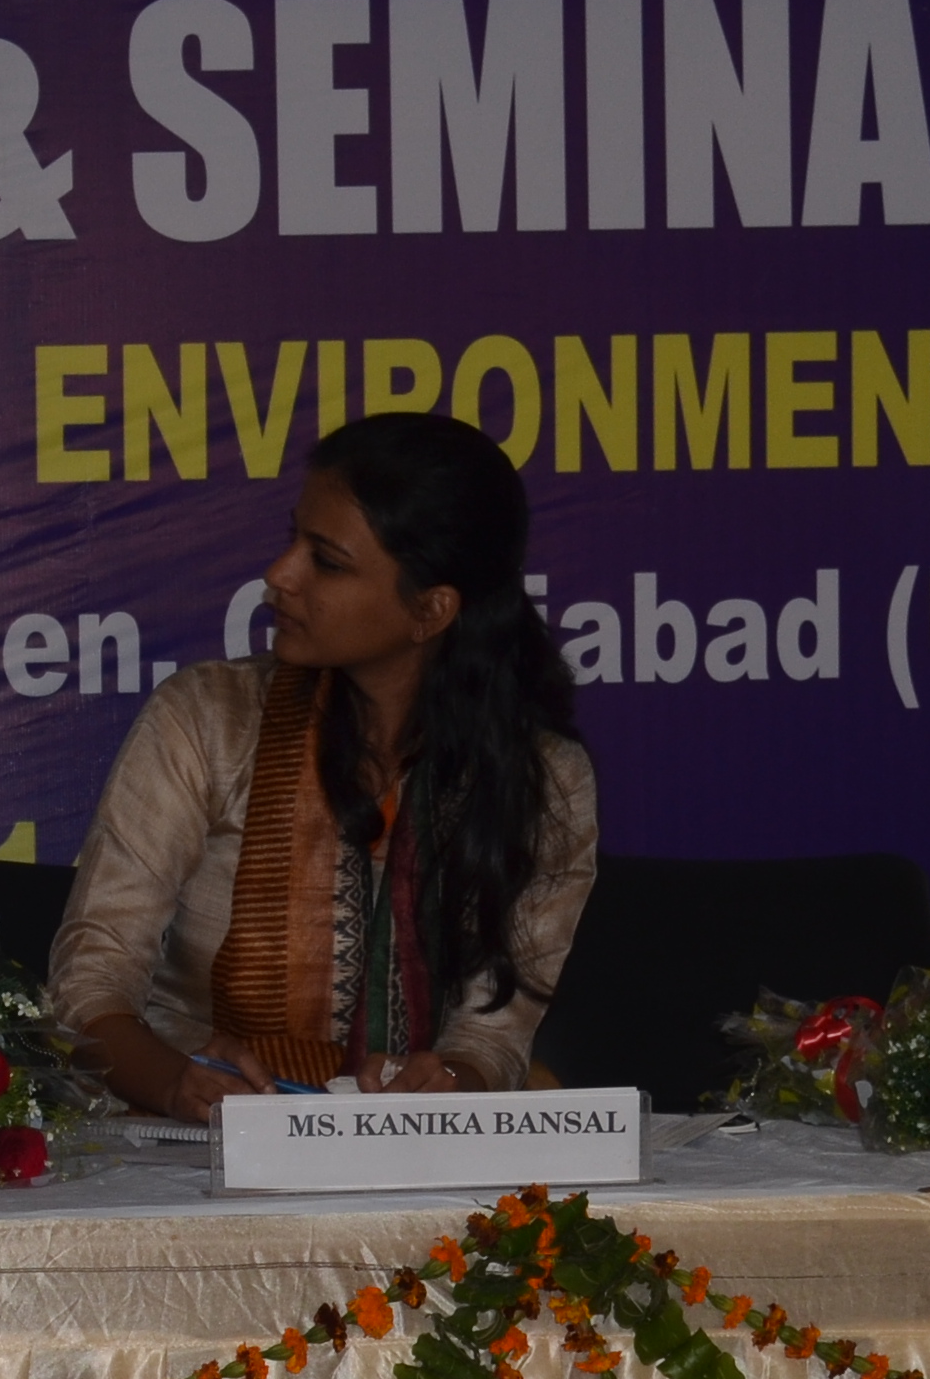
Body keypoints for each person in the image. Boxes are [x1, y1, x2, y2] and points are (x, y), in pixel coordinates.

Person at [51, 411, 598, 1119]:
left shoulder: (543, 779)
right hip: (187, 1145)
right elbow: (89, 981)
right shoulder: (209, 718)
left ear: (431, 610)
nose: (279, 574)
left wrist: (448, 1082)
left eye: (327, 561)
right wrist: (172, 1083)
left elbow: (494, 1037)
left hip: (420, 1155)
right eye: (293, 539)